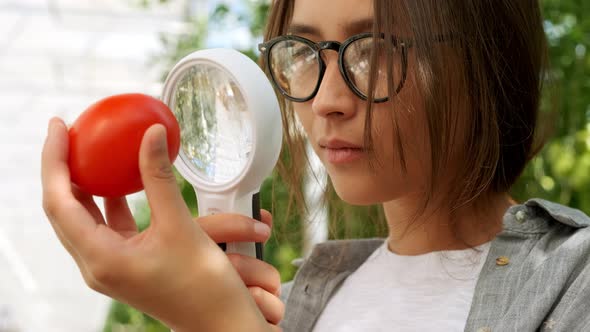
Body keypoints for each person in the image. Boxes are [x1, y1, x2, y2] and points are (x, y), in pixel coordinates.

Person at [41, 1, 590, 332]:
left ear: (486, 58)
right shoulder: (309, 294)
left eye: (376, 49)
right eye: (303, 52)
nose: (327, 99)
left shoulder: (572, 282)